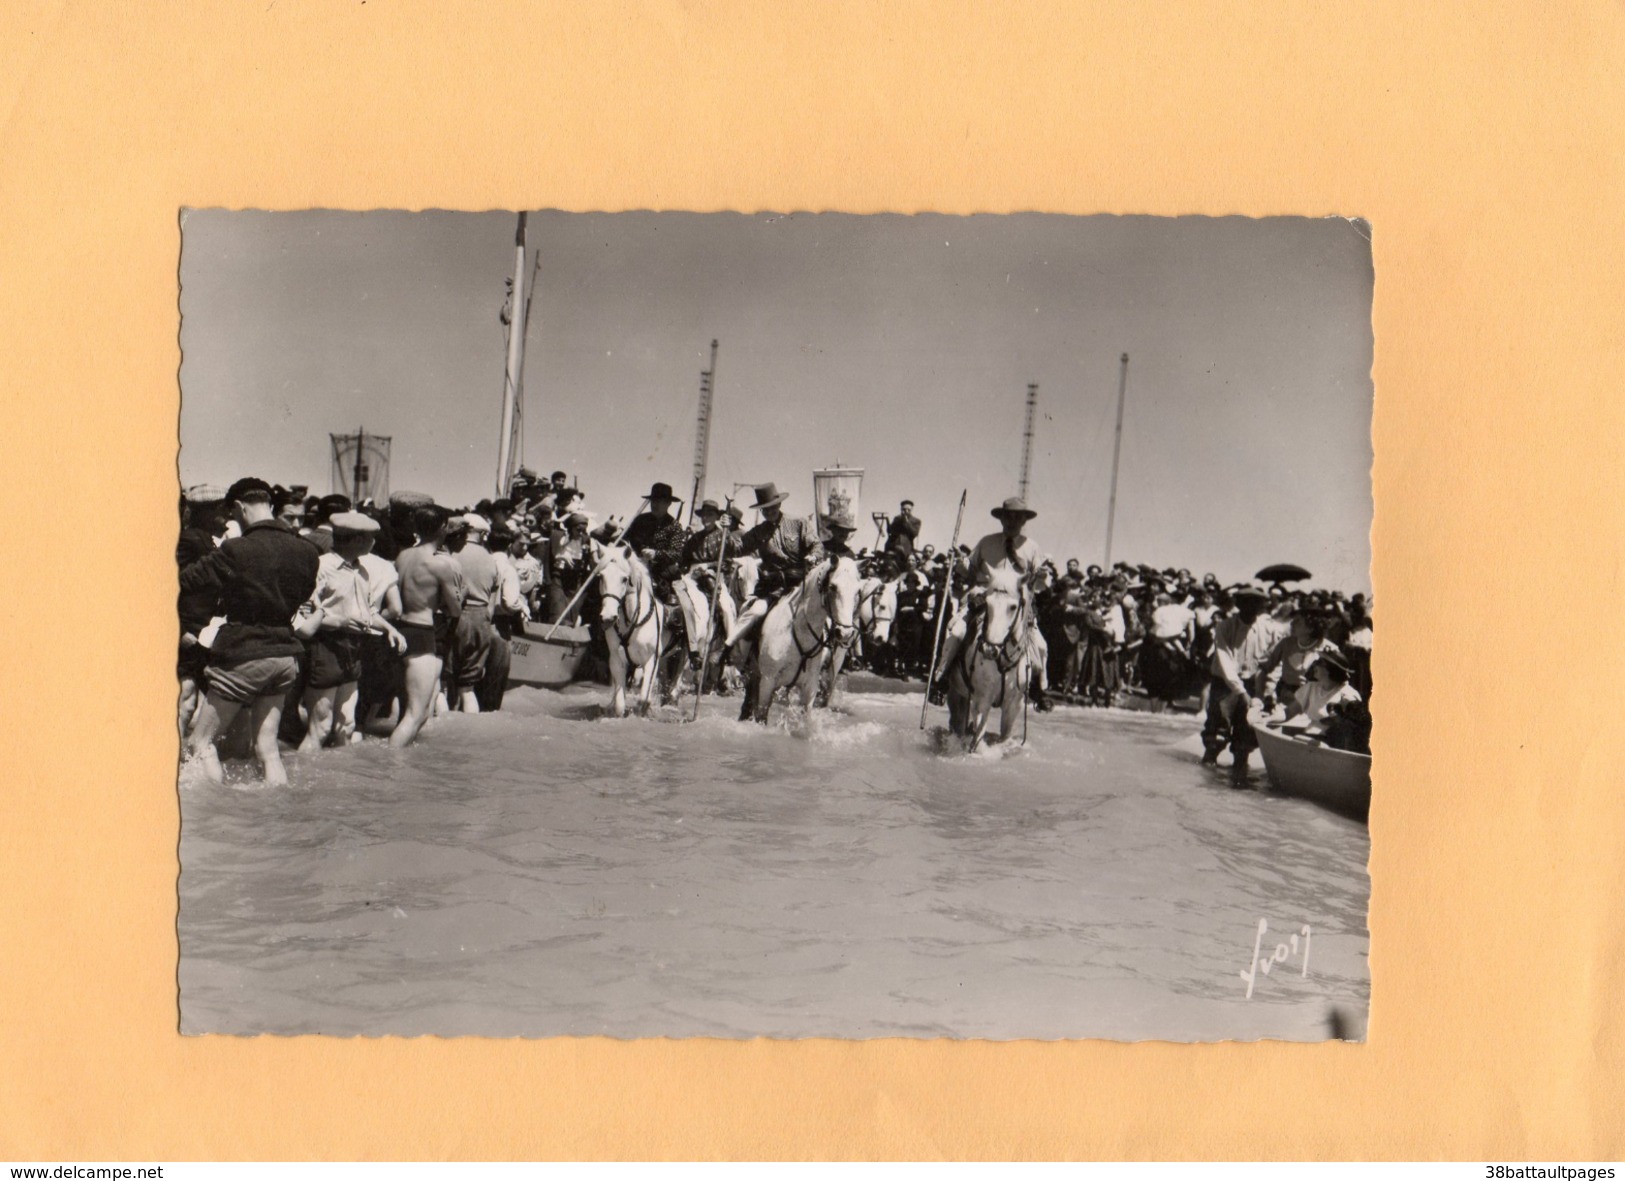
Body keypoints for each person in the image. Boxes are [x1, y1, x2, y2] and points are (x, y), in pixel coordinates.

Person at [180, 477, 321, 786]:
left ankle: (218, 820)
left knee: (200, 744)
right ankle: (276, 816)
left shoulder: (236, 550)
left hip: (243, 654)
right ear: (270, 506)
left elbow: (188, 580)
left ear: (241, 509)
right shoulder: (308, 551)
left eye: (234, 515)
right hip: (285, 657)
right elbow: (303, 595)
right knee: (267, 749)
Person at [297, 512, 407, 753]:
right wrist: (341, 621)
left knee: (346, 725)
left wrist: (389, 629)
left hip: (353, 649)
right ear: (355, 540)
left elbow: (366, 612)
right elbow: (303, 615)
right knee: (320, 727)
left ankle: (338, 785)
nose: (374, 543)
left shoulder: (362, 570)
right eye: (370, 538)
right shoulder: (322, 567)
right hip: (325, 647)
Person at [929, 497, 1051, 709]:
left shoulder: (1032, 548)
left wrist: (1041, 575)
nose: (1012, 521)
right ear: (1001, 519)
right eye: (1008, 517)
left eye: (1017, 517)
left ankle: (1040, 690)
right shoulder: (986, 542)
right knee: (956, 632)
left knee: (1040, 646)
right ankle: (940, 679)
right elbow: (970, 571)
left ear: (1024, 521)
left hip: (1016, 606)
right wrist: (959, 561)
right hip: (983, 599)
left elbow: (1042, 585)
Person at [733, 482, 825, 718]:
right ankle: (747, 660)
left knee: (829, 622)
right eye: (765, 509)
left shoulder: (799, 523)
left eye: (772, 507)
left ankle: (824, 667)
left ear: (779, 504)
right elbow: (738, 548)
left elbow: (816, 544)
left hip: (800, 587)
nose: (769, 512)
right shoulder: (759, 532)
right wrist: (725, 531)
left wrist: (813, 556)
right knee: (754, 615)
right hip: (772, 588)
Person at [390, 505, 465, 748]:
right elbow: (455, 610)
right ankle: (390, 772)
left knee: (410, 713)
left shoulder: (403, 556)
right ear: (443, 527)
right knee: (417, 715)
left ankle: (400, 768)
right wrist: (459, 593)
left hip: (400, 629)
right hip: (422, 633)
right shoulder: (439, 565)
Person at [1201, 583, 1277, 787]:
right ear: (1238, 604)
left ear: (1262, 607)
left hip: (1254, 683)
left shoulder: (1269, 630)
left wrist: (1268, 691)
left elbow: (1273, 663)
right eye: (1246, 603)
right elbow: (1225, 661)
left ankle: (1239, 775)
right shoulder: (1224, 626)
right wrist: (1240, 690)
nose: (1251, 608)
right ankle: (1207, 772)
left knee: (1246, 736)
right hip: (1225, 682)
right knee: (1217, 730)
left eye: (1256, 604)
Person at [447, 513, 501, 714]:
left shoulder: (452, 552)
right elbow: (494, 598)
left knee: (444, 683)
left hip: (456, 616)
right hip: (481, 619)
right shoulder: (490, 558)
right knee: (467, 688)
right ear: (482, 535)